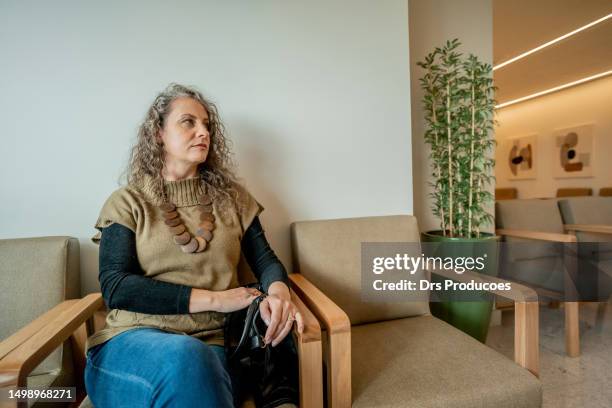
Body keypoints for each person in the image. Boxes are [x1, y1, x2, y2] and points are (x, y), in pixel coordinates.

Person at [84, 83, 303, 408]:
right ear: (158, 133)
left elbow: (266, 261)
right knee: (186, 358)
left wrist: (279, 295)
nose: (203, 132)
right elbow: (116, 287)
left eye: (207, 125)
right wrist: (217, 298)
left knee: (197, 361)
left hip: (213, 343)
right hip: (131, 342)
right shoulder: (128, 202)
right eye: (189, 122)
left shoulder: (233, 200)